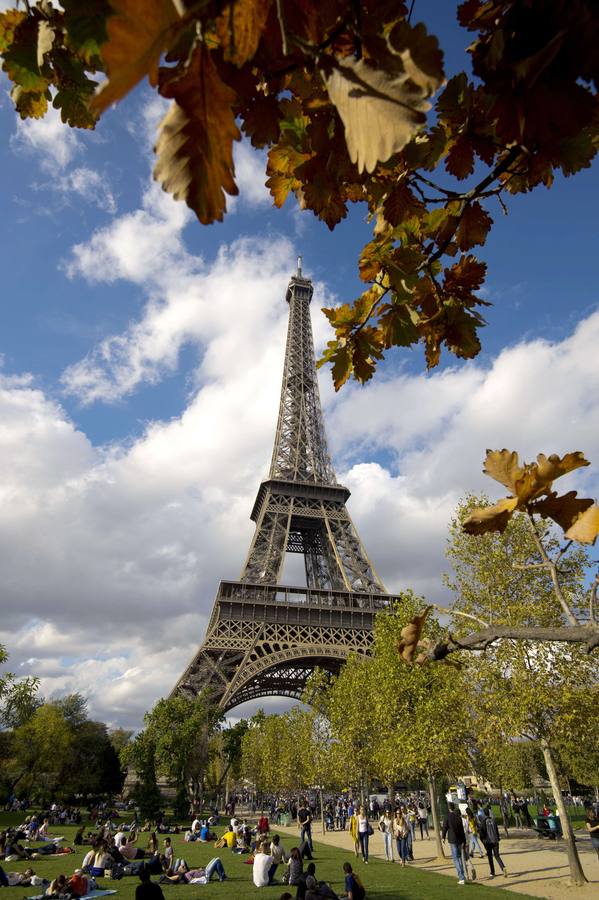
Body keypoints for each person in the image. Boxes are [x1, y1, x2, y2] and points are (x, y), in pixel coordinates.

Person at [442, 801, 467, 885]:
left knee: (456, 858)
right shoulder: (458, 817)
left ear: (449, 808)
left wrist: (443, 837)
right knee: (459, 858)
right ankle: (462, 875)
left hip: (453, 840)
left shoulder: (448, 816)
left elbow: (445, 827)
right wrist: (464, 841)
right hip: (459, 839)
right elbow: (462, 830)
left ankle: (461, 876)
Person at [479, 807, 508, 879]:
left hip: (488, 842)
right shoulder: (493, 820)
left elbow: (481, 832)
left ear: (484, 814)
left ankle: (492, 872)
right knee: (497, 856)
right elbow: (497, 830)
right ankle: (503, 867)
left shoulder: (483, 821)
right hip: (495, 840)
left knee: (490, 857)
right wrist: (498, 838)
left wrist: (482, 839)